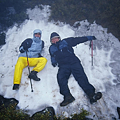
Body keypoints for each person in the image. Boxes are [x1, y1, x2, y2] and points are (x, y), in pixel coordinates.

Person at [49, 32, 102, 106]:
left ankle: (92, 95)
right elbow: (52, 56)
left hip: (74, 62)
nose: (54, 40)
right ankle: (68, 97)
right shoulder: (51, 48)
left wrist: (88, 38)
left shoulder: (65, 41)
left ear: (59, 38)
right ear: (51, 41)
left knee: (81, 77)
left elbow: (77, 40)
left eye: (56, 38)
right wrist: (53, 61)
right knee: (60, 78)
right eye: (52, 39)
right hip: (63, 66)